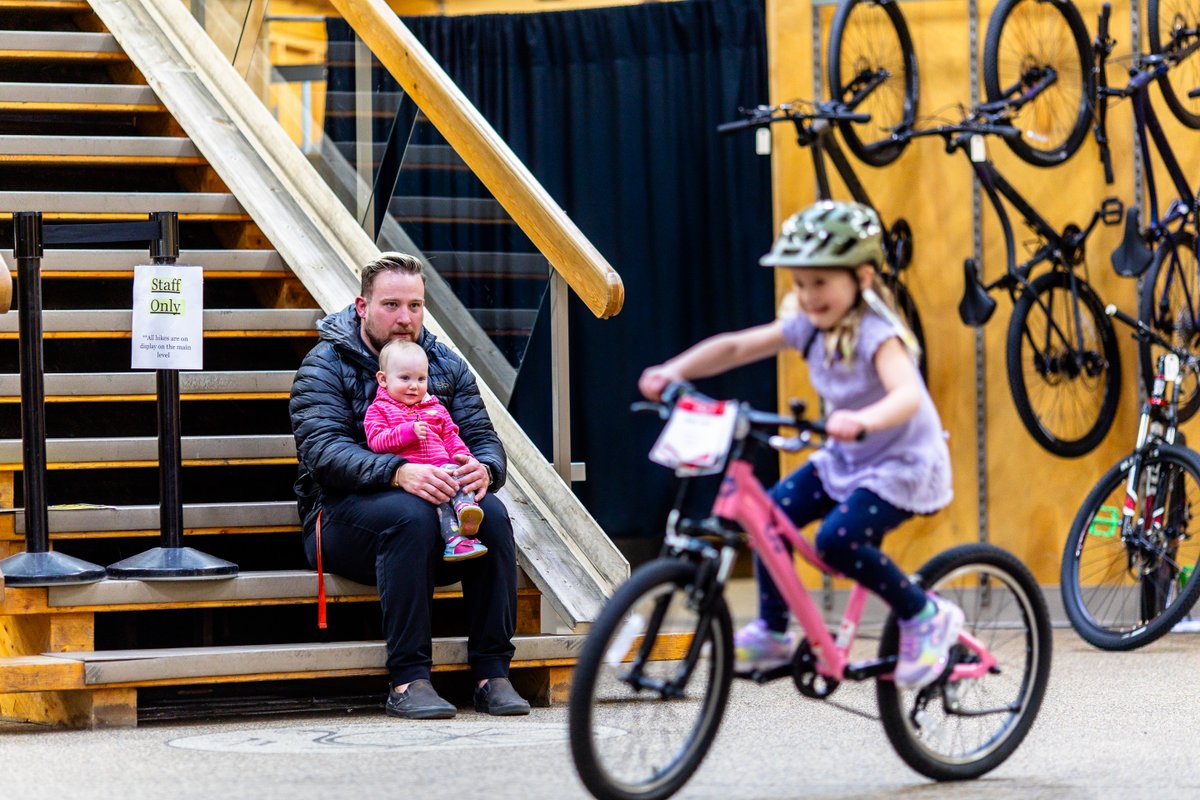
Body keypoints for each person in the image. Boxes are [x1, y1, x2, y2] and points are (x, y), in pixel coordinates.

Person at [638, 200, 960, 691]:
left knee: (836, 539)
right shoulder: (808, 327)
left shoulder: (879, 334)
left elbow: (907, 396)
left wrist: (861, 419)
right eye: (800, 283)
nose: (809, 296)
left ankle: (924, 614)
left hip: (901, 463)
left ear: (863, 277)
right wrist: (674, 371)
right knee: (767, 517)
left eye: (822, 282)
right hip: (848, 457)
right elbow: (736, 347)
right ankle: (772, 630)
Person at [290, 251, 530, 719]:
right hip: (340, 518)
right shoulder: (323, 365)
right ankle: (408, 680)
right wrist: (397, 472)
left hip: (440, 517)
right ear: (362, 306)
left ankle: (491, 674)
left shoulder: (445, 364)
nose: (405, 319)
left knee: (495, 517)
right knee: (410, 516)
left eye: (415, 306)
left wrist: (484, 469)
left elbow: (482, 436)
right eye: (391, 305)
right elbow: (322, 451)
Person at [365, 338, 487, 562]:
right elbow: (376, 441)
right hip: (415, 474)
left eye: (421, 379)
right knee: (442, 507)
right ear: (383, 379)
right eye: (405, 378)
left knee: (458, 477)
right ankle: (455, 539)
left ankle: (466, 512)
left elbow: (450, 436)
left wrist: (465, 458)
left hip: (443, 467)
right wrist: (406, 432)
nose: (414, 386)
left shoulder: (435, 408)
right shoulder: (379, 409)